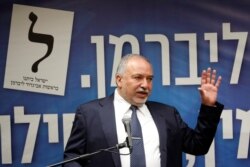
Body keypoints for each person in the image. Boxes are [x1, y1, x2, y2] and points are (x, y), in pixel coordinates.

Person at [63, 54, 224, 167]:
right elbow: (72, 158)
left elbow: (198, 146)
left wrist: (208, 106)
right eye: (138, 77)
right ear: (119, 80)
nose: (145, 85)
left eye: (149, 79)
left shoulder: (167, 114)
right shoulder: (89, 113)